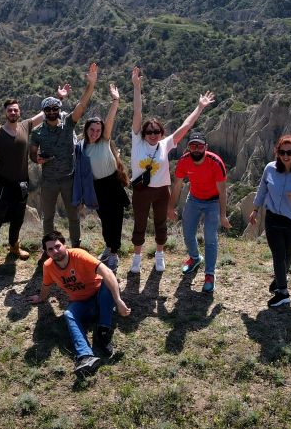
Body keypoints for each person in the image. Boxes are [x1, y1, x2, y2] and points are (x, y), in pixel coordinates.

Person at [129, 66, 214, 274]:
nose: (153, 134)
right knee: (139, 224)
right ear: (143, 133)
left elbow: (185, 126)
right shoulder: (136, 141)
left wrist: (200, 108)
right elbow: (137, 111)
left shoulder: (165, 144)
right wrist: (137, 87)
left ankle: (159, 255)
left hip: (161, 191)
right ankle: (137, 258)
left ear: (161, 132)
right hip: (140, 190)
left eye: (157, 131)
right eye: (149, 131)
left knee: (160, 223)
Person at [0, 87, 68, 267]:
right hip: (1, 183)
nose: (13, 112)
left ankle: (14, 246)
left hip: (21, 183)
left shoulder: (25, 126)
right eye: (10, 110)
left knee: (18, 218)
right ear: (5, 113)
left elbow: (45, 114)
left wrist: (59, 98)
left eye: (16, 110)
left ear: (20, 112)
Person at [28, 230, 131, 377]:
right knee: (69, 313)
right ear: (46, 252)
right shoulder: (48, 266)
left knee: (107, 283)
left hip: (101, 299)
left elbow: (107, 272)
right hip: (81, 303)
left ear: (64, 245)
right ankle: (85, 356)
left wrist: (118, 300)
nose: (55, 251)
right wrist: (41, 298)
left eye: (57, 246)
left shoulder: (79, 255)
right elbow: (46, 285)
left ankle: (102, 332)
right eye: (50, 249)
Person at [30, 63, 97, 250]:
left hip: (68, 179)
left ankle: (75, 246)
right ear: (44, 112)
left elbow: (81, 106)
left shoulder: (68, 123)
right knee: (48, 217)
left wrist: (90, 85)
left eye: (54, 108)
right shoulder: (38, 131)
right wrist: (37, 159)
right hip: (49, 180)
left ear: (59, 109)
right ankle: (49, 248)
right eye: (48, 109)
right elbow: (32, 151)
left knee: (72, 216)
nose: (51, 112)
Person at [249, 134, 291, 308]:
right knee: (278, 254)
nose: (285, 156)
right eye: (282, 152)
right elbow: (262, 189)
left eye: (289, 152)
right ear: (277, 152)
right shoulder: (270, 169)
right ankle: (283, 293)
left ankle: (280, 279)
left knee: (288, 252)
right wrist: (255, 210)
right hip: (273, 218)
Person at [72, 82, 129, 272]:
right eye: (92, 130)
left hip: (112, 184)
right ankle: (108, 247)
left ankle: (114, 253)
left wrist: (115, 100)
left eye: (98, 130)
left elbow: (110, 120)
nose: (95, 133)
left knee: (116, 220)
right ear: (86, 130)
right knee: (105, 219)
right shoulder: (81, 147)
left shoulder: (104, 141)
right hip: (96, 188)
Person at [167, 132, 231, 292]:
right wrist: (170, 207)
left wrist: (223, 215)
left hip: (213, 202)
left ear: (205, 147)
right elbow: (177, 186)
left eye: (199, 146)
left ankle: (209, 274)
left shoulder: (216, 162)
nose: (196, 149)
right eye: (192, 146)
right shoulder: (184, 161)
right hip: (194, 198)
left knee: (210, 237)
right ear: (188, 147)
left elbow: (222, 191)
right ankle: (195, 258)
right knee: (188, 234)